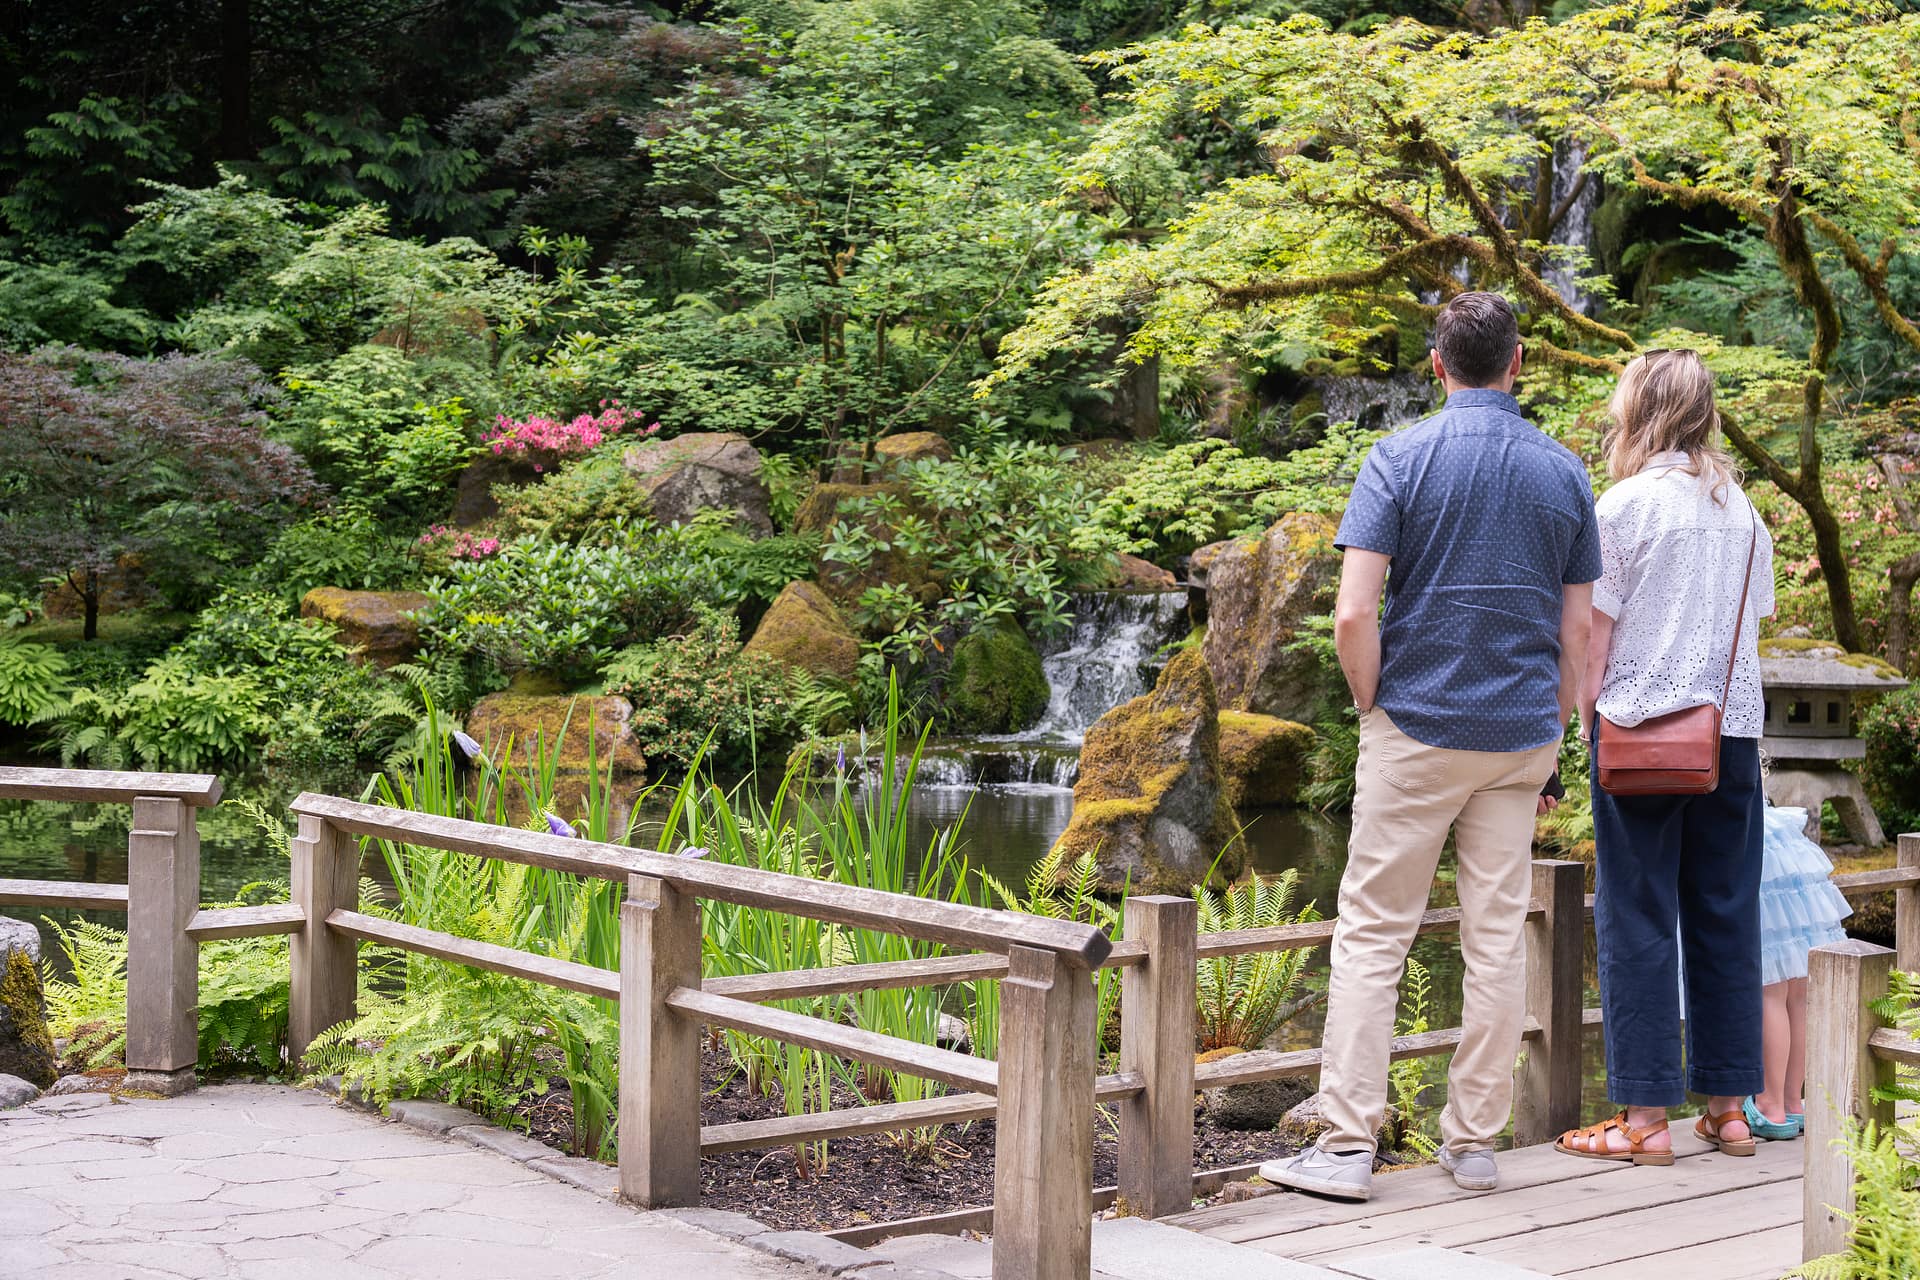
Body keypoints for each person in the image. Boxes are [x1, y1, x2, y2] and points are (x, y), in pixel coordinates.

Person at [1260, 292, 1600, 1202]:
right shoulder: (1564, 473)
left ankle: (1343, 1147)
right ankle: (1475, 1141)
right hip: (1520, 734)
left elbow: (1353, 612)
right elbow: (1579, 632)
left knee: (1374, 935)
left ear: (1438, 366)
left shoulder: (1397, 458)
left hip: (1415, 723)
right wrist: (1559, 726)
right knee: (1496, 937)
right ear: (1518, 361)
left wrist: (1374, 705)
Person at [1557, 348, 1775, 1166]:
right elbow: (1750, 628)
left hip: (1642, 733)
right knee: (1725, 912)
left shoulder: (1623, 506)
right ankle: (1728, 1110)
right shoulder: (1743, 512)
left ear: (1639, 411)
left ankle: (1644, 1119)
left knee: (1637, 916)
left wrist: (1584, 729)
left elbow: (1592, 641)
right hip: (1733, 734)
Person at [1745, 804, 1853, 1139]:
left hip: (1756, 853)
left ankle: (1769, 1104)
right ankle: (1793, 1100)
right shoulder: (1785, 827)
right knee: (1797, 995)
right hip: (1788, 857)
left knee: (1771, 992)